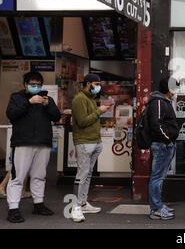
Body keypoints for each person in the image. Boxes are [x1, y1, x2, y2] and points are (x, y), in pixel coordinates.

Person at [5, 71, 61, 223]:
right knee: (18, 177)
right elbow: (11, 114)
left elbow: (57, 116)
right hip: (22, 142)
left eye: (38, 84)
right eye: (32, 84)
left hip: (43, 142)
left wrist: (48, 104)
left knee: (39, 175)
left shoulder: (47, 99)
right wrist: (28, 102)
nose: (36, 87)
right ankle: (13, 208)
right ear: (25, 85)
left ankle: (38, 204)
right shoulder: (16, 97)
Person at [70, 73, 110, 223]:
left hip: (94, 141)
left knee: (87, 174)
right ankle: (76, 207)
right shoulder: (80, 99)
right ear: (88, 83)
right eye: (96, 83)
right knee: (82, 174)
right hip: (84, 141)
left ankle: (83, 202)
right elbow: (82, 121)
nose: (98, 86)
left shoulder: (90, 98)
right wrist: (99, 111)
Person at [146, 77, 180, 220]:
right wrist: (168, 140)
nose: (175, 91)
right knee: (157, 177)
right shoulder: (159, 102)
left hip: (163, 144)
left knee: (159, 177)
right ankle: (156, 209)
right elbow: (156, 125)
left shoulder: (162, 101)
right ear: (168, 88)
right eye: (174, 88)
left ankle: (158, 205)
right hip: (162, 145)